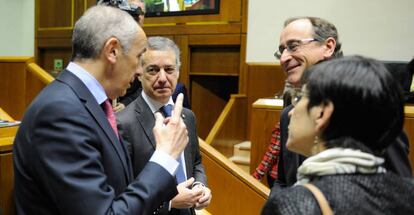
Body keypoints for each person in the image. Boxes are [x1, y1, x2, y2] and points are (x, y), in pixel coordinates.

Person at [13, 5, 189, 214]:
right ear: (112, 51)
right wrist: (165, 156)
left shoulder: (89, 104)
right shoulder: (60, 112)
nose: (140, 70)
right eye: (139, 58)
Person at [271, 16, 412, 188]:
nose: (283, 58)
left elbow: (398, 188)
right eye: (281, 50)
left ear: (328, 47)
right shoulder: (289, 114)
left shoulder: (369, 110)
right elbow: (283, 182)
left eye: (293, 46)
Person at [262, 56, 414, 214]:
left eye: (300, 99)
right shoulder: (408, 193)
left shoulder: (294, 205)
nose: (291, 112)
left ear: (322, 113)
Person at [117, 36, 211, 215]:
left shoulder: (187, 116)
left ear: (178, 71)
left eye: (169, 69)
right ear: (139, 72)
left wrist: (200, 185)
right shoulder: (123, 123)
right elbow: (123, 194)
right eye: (153, 70)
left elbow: (196, 162)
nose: (162, 78)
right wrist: (168, 203)